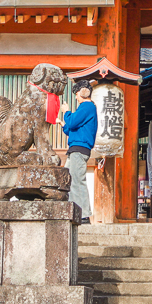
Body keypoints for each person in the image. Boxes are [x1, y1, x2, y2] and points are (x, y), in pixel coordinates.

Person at [61, 81, 98, 218]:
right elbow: (71, 127)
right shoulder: (87, 108)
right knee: (69, 180)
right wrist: (64, 123)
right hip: (76, 149)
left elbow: (72, 122)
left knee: (77, 180)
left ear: (82, 92)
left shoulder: (87, 107)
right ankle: (75, 212)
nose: (76, 97)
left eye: (76, 94)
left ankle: (84, 214)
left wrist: (66, 112)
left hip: (79, 149)